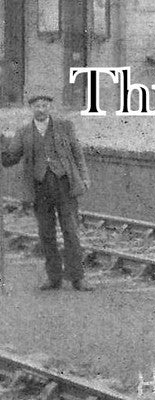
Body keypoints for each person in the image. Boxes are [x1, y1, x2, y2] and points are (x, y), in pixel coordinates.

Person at [2, 93, 91, 291]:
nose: (41, 109)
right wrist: (2, 146)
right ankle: (54, 278)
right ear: (31, 109)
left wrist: (84, 178)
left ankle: (77, 278)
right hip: (40, 189)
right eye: (37, 106)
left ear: (50, 107)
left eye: (45, 106)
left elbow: (78, 153)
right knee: (46, 234)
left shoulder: (65, 126)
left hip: (65, 185)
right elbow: (10, 159)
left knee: (71, 231)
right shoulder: (24, 132)